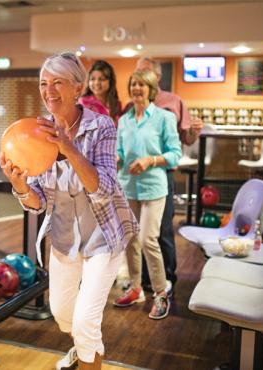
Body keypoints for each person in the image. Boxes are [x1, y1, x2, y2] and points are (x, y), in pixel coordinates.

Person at [0, 52, 137, 370]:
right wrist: (20, 185)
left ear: (78, 88)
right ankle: (82, 346)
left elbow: (103, 187)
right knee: (63, 315)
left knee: (86, 321)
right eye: (43, 83)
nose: (48, 90)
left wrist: (69, 148)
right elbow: (38, 203)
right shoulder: (37, 132)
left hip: (103, 236)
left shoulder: (101, 125)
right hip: (64, 240)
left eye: (57, 82)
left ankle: (87, 353)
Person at [113, 70, 181, 320]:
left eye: (142, 84)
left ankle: (161, 293)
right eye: (133, 84)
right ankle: (136, 288)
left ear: (151, 89)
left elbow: (175, 154)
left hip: (154, 187)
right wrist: (117, 157)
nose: (137, 88)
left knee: (148, 239)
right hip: (128, 185)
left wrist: (151, 160)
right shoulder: (124, 120)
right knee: (130, 239)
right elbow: (120, 150)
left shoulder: (164, 118)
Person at [134, 57, 203, 294]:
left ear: (157, 76)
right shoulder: (133, 102)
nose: (139, 77)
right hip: (136, 176)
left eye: (144, 72)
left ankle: (167, 278)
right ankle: (144, 279)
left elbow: (188, 139)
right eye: (137, 72)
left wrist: (194, 132)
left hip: (162, 173)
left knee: (162, 229)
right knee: (140, 230)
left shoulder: (173, 102)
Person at [79, 60, 122, 125]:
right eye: (92, 79)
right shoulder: (83, 103)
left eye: (102, 79)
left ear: (110, 81)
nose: (96, 83)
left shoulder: (116, 104)